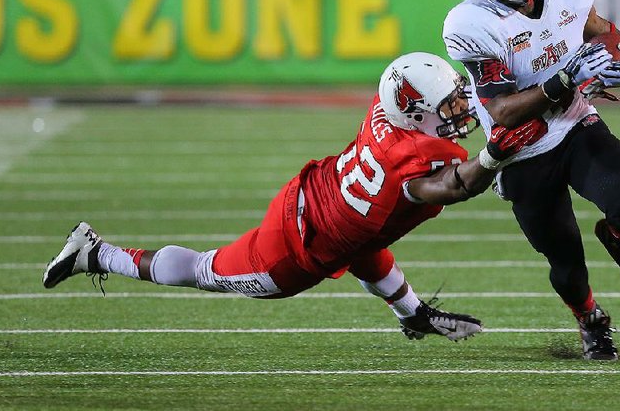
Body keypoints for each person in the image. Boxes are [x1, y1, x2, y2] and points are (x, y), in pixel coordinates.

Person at [43, 52, 544, 342]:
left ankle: (411, 314)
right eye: (448, 102)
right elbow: (451, 185)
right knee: (204, 270)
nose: (459, 107)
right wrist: (493, 159)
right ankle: (97, 252)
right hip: (292, 251)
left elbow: (380, 234)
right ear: (414, 111)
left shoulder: (387, 109)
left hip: (319, 198)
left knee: (366, 243)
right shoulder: (407, 164)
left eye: (457, 95)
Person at [442, 0, 620, 360]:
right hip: (522, 149)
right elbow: (501, 109)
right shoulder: (472, 22)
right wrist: (566, 77)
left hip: (576, 122)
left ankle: (619, 239)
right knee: (566, 262)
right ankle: (591, 321)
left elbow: (596, 26)